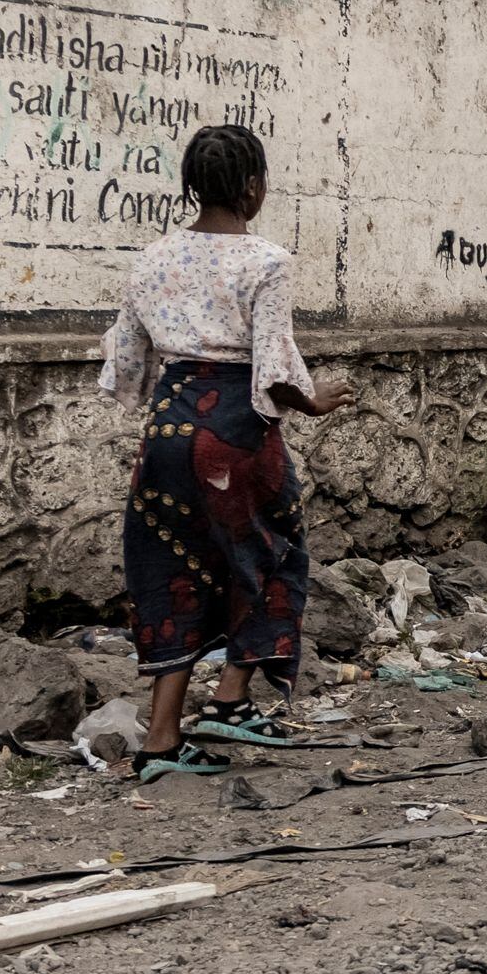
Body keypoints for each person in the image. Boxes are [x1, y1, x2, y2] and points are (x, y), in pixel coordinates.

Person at [98, 123, 356, 782]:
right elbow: (272, 368)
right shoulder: (266, 261)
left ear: (193, 186)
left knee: (172, 571)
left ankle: (164, 739)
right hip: (235, 437)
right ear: (251, 188)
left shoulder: (152, 258)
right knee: (274, 554)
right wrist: (313, 402)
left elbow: (126, 361)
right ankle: (231, 694)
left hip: (166, 434)